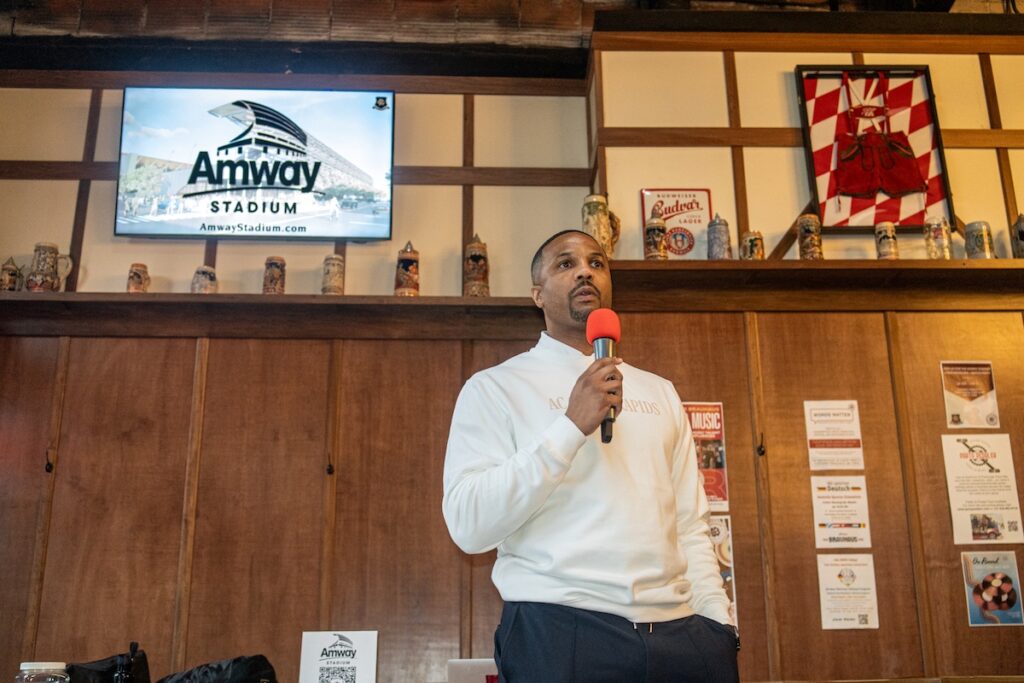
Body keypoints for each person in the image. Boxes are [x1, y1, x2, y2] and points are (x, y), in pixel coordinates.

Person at [442, 229, 739, 683]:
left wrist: (718, 623)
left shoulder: (660, 391)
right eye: (565, 263)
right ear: (537, 295)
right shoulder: (495, 388)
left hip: (683, 637)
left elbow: (689, 523)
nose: (585, 270)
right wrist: (569, 426)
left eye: (597, 263)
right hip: (561, 632)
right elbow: (468, 525)